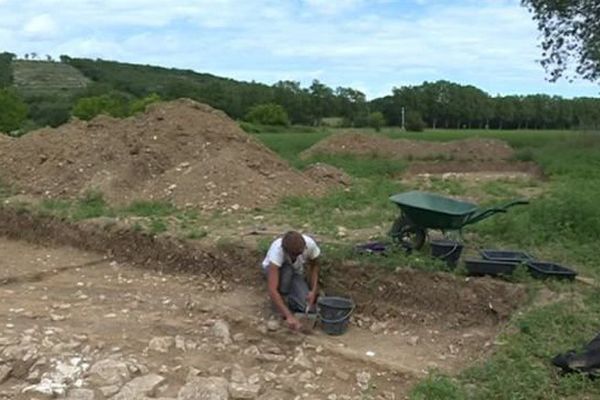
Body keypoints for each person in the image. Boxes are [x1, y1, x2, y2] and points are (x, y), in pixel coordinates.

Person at [261, 231, 321, 331]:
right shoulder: (276, 252)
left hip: (295, 274)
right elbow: (272, 289)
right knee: (287, 272)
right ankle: (278, 308)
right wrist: (288, 316)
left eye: (300, 253)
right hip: (277, 271)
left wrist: (313, 291)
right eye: (294, 255)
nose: (297, 257)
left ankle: (289, 301)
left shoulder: (310, 245)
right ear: (285, 251)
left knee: (305, 306)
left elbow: (315, 266)